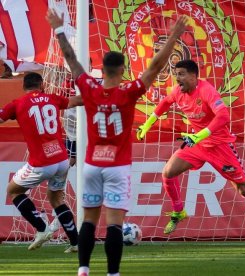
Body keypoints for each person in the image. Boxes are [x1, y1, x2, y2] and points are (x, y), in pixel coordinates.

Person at [46, 9, 187, 276]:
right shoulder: (129, 92)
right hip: (117, 166)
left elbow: (71, 59)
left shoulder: (89, 87)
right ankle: (112, 273)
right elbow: (155, 66)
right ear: (122, 69)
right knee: (113, 224)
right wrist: (173, 37)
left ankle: (84, 269)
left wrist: (59, 29)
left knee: (88, 219)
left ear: (103, 69)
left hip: (91, 164)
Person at [137, 59, 245, 248]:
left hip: (219, 146)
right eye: (176, 74)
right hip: (197, 145)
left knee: (244, 189)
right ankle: (178, 211)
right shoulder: (178, 92)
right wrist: (148, 124)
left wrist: (199, 135)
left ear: (194, 76)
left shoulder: (207, 91)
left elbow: (223, 116)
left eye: (182, 74)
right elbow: (164, 103)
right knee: (168, 172)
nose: (177, 79)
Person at [0, 72, 82, 252]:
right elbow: (77, 101)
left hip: (41, 162)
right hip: (62, 159)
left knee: (13, 190)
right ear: (42, 85)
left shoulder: (18, 103)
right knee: (57, 200)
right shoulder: (52, 98)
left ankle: (42, 228)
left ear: (24, 87)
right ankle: (76, 243)